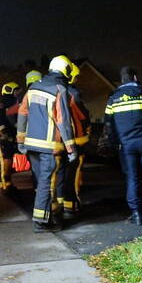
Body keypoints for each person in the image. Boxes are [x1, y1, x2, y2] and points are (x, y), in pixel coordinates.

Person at [17, 56, 79, 232]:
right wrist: (71, 148)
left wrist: (20, 141)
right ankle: (40, 222)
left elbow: (22, 114)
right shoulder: (60, 89)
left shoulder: (33, 88)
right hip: (49, 146)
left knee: (41, 182)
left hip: (31, 145)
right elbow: (63, 121)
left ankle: (45, 218)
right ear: (65, 70)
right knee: (46, 183)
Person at [105, 66, 142, 225]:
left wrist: (115, 142)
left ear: (122, 79)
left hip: (126, 145)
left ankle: (136, 214)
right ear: (135, 77)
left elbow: (108, 124)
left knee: (132, 178)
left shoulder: (113, 98)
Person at [60, 62, 91, 219]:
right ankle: (73, 203)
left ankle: (66, 205)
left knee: (63, 174)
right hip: (76, 139)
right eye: (76, 77)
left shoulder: (58, 91)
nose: (77, 80)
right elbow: (83, 116)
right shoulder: (74, 94)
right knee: (73, 174)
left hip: (61, 141)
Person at [0, 81, 20, 191]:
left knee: (7, 160)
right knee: (3, 161)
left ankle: (5, 183)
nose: (18, 93)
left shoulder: (11, 102)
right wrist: (5, 133)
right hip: (0, 137)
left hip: (5, 136)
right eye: (16, 90)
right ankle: (5, 184)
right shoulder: (3, 103)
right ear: (10, 90)